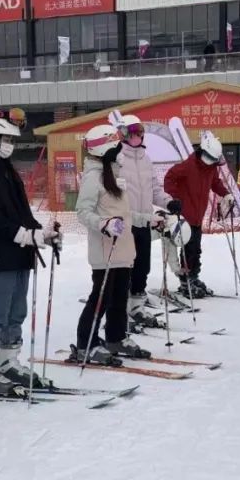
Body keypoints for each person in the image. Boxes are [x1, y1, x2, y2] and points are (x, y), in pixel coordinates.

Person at [0, 110, 59, 398]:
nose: (9, 145)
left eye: (11, 140)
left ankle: (7, 360)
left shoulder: (6, 170)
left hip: (19, 252)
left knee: (16, 310)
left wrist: (41, 232)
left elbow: (21, 213)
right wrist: (23, 235)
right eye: (4, 139)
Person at [72, 124, 150, 364]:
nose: (121, 152)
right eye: (117, 148)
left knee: (119, 298)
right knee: (100, 298)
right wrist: (103, 224)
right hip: (105, 251)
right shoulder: (93, 178)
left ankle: (116, 337)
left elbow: (125, 214)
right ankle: (86, 343)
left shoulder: (114, 175)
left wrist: (150, 219)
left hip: (123, 250)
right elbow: (82, 212)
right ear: (104, 150)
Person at [114, 114, 177, 330]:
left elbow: (155, 190)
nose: (137, 136)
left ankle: (137, 307)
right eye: (133, 132)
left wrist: (168, 202)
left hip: (144, 223)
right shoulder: (117, 159)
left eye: (140, 132)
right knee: (125, 269)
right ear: (123, 133)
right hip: (124, 224)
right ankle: (120, 311)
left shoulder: (145, 159)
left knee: (142, 267)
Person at [164, 132, 234, 298]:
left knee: (196, 250)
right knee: (188, 250)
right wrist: (174, 198)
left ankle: (193, 277)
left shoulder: (211, 168)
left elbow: (215, 183)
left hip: (198, 215)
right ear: (202, 151)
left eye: (213, 159)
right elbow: (169, 177)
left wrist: (226, 194)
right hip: (184, 215)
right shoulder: (188, 165)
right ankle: (185, 281)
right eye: (208, 157)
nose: (209, 161)